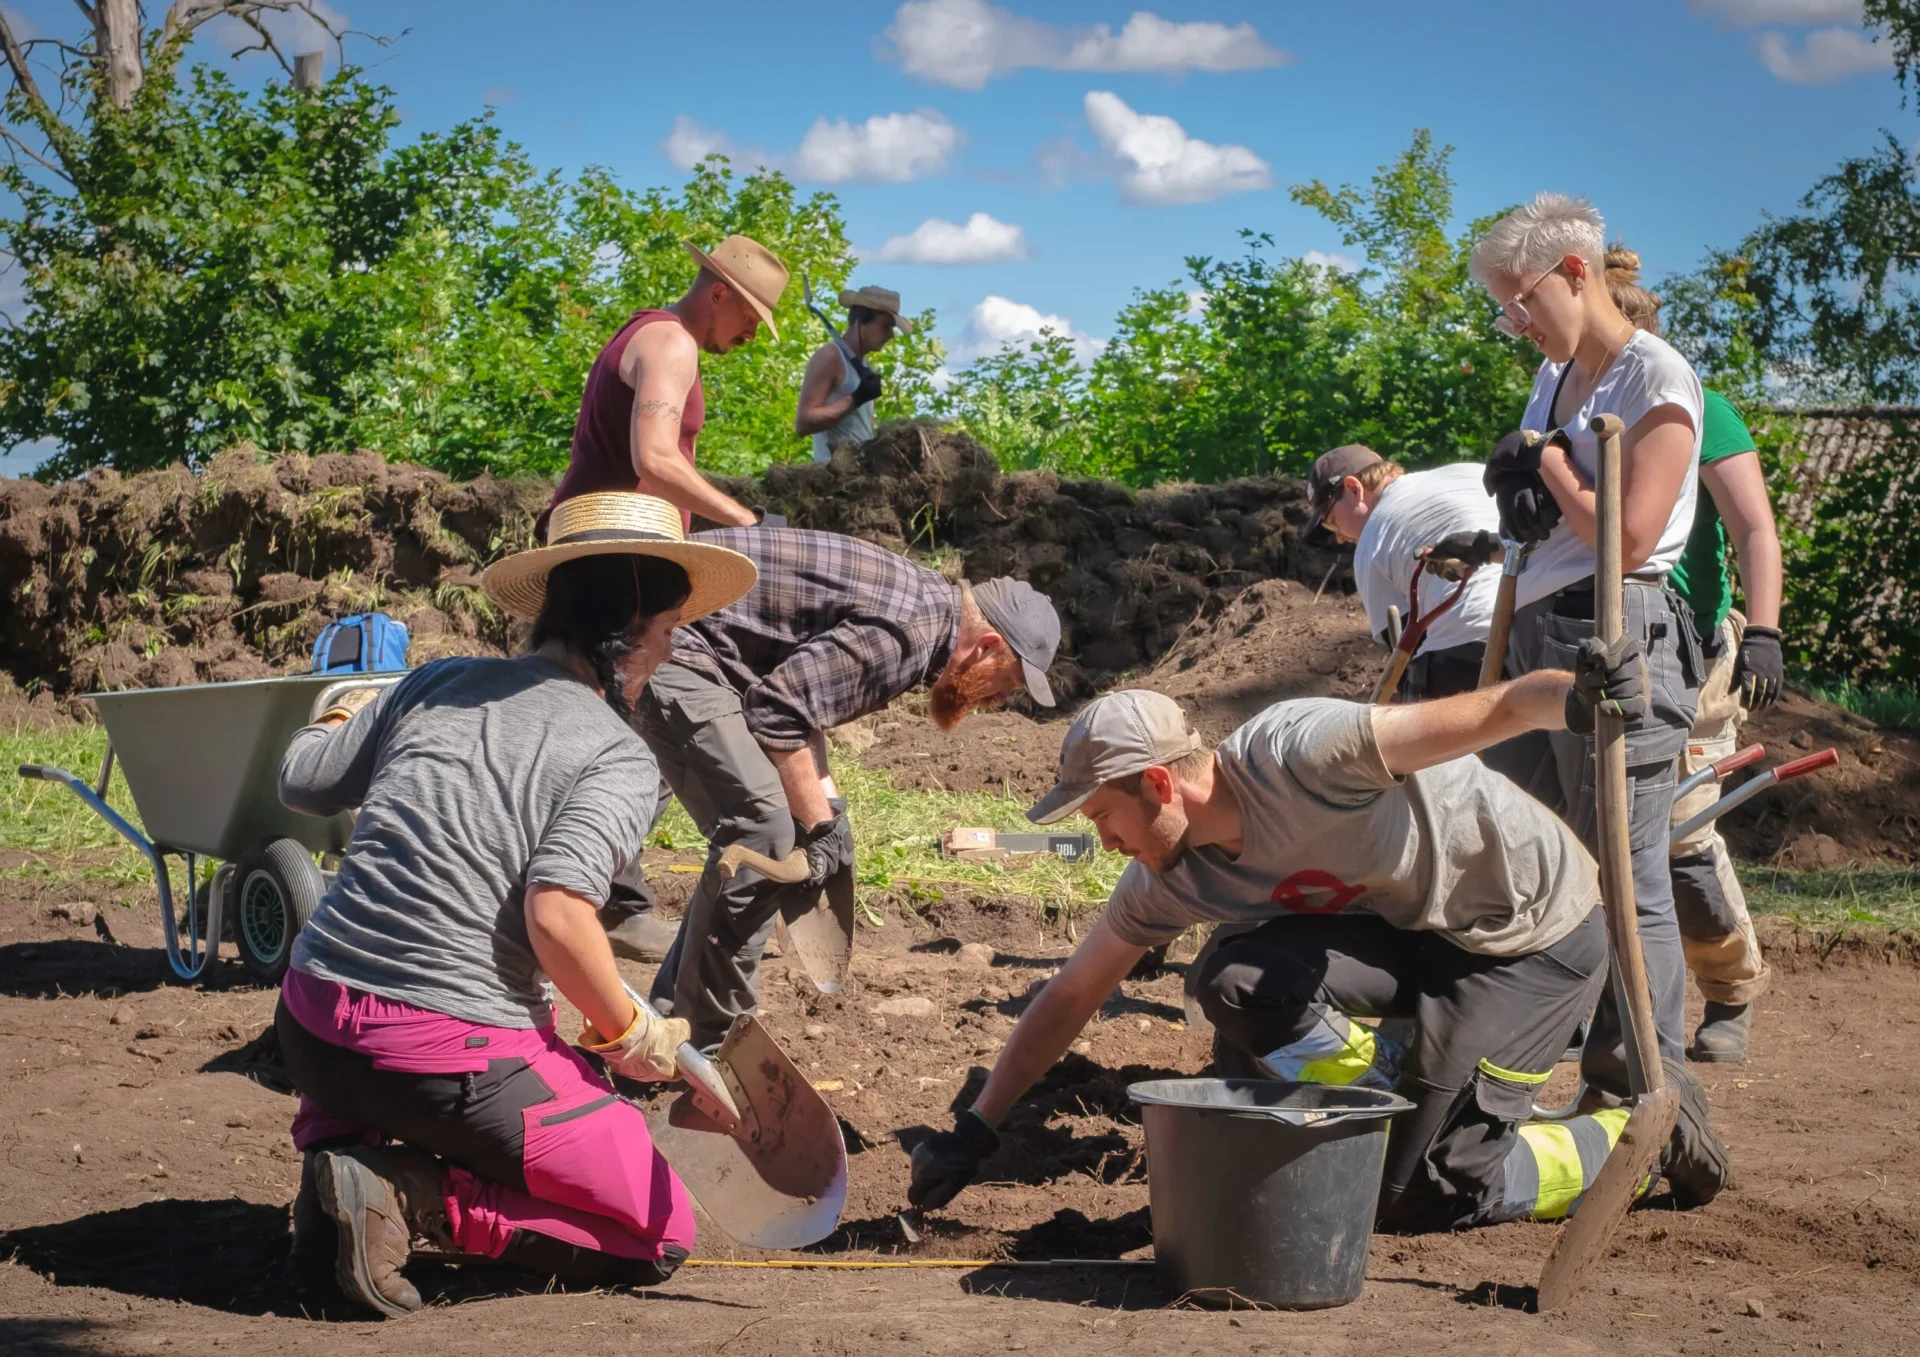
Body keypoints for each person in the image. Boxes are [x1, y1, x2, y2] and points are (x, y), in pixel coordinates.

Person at [907, 678, 1729, 1231]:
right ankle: (1403, 1096)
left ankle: (1640, 1143)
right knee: (1234, 979)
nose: (1102, 839)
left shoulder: (1299, 753)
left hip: (1530, 932)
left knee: (1431, 1188)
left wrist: (1573, 692)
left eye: (1101, 815)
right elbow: (1071, 992)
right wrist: (977, 1127)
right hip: (1413, 932)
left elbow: (1490, 711)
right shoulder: (1169, 875)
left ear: (1160, 785)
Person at [272, 492, 759, 1319]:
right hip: (440, 1054)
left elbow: (302, 779)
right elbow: (559, 914)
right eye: (672, 627)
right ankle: (416, 1195)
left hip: (311, 1024)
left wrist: (352, 698)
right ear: (631, 630)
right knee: (663, 1227)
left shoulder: (433, 683)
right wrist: (634, 1034)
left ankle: (344, 1160)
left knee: (463, 1077)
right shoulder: (618, 753)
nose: (674, 647)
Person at [621, 528, 1062, 1049]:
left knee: (774, 825)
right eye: (1005, 682)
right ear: (987, 645)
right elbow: (777, 711)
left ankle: (677, 1020)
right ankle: (711, 1045)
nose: (1000, 700)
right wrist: (816, 823)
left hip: (700, 648)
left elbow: (804, 707)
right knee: (762, 827)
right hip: (662, 636)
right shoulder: (907, 637)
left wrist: (827, 812)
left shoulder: (926, 610)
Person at [1469, 192, 1704, 1102]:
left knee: (1626, 871)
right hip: (1543, 626)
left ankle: (1646, 1095)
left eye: (1522, 299)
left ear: (1575, 271)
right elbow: (1559, 516)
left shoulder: (1654, 375)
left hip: (1618, 631)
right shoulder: (1559, 378)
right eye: (1505, 308)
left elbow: (1633, 537)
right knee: (1537, 861)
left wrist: (1554, 466)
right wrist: (1517, 502)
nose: (1517, 322)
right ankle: (1510, 1067)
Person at [1609, 252, 1784, 1063]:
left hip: (1690, 648)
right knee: (1595, 832)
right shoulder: (1576, 408)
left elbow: (1752, 526)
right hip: (1602, 647)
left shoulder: (1699, 406)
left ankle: (1731, 989)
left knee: (1679, 831)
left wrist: (1765, 633)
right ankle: (1609, 1001)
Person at [548, 234, 790, 534]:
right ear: (717, 294)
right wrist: (749, 521)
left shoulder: (647, 331)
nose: (751, 334)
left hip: (604, 544)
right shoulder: (671, 341)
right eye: (750, 318)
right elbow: (655, 459)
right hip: (617, 548)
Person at [1309, 443, 1505, 699]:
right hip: (1540, 622)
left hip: (1464, 649)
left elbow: (1404, 652)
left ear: (1353, 488)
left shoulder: (1372, 540)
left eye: (1332, 523)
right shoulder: (1468, 472)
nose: (1340, 539)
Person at [795, 286, 912, 463]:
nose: (891, 335)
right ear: (863, 320)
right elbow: (803, 423)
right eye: (886, 326)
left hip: (860, 476)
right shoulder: (830, 356)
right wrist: (856, 399)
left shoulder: (866, 367)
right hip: (832, 476)